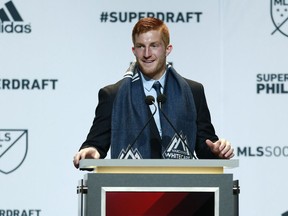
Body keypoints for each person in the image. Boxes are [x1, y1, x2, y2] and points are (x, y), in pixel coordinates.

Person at [73, 17, 234, 168]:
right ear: (133, 50)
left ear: (167, 49)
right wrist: (91, 152)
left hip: (182, 193)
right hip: (128, 191)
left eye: (154, 45)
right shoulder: (113, 95)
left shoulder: (193, 92)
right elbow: (95, 144)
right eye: (141, 46)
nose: (147, 54)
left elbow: (205, 146)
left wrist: (216, 151)